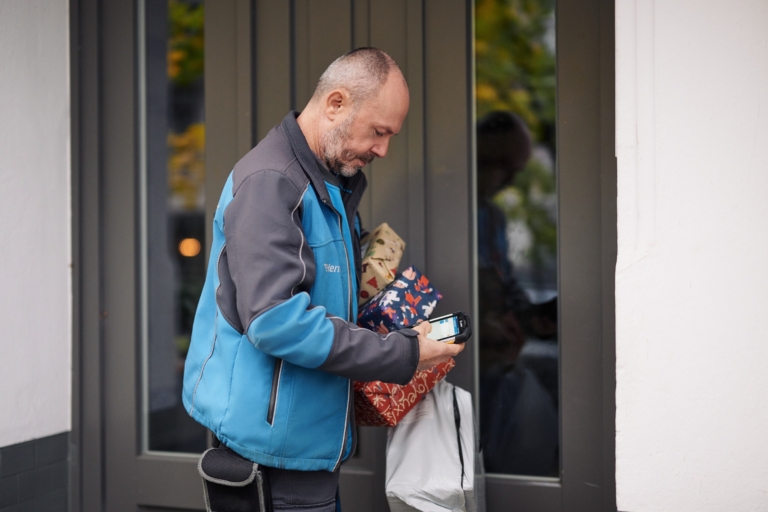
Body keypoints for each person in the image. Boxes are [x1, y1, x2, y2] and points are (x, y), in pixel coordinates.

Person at [182, 48, 464, 511]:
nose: (383, 149)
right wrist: (404, 353)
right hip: (269, 457)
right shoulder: (273, 182)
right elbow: (277, 320)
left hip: (304, 446)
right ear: (335, 103)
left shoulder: (329, 182)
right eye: (379, 132)